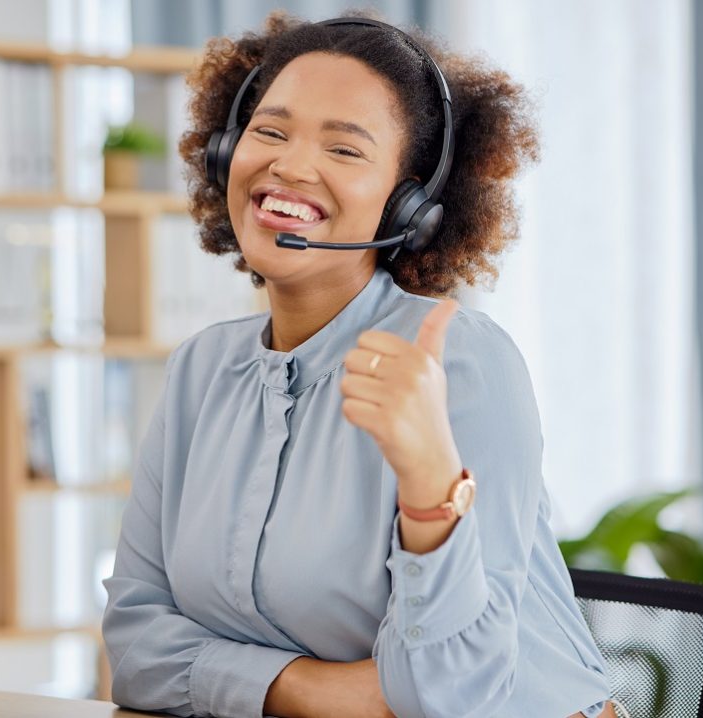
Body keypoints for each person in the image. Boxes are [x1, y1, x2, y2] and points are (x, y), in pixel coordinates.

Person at [102, 10, 615, 718]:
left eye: (345, 151)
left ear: (410, 207)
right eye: (270, 132)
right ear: (226, 151)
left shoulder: (459, 364)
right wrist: (306, 689)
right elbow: (132, 648)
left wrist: (430, 482)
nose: (290, 165)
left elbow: (448, 700)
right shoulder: (200, 372)